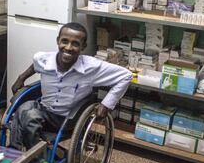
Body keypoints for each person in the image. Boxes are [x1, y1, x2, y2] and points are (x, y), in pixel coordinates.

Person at [9, 22, 132, 150]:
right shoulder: (43, 59)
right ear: (58, 41)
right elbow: (35, 65)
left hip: (69, 119)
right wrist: (21, 77)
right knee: (23, 107)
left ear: (83, 46)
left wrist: (106, 104)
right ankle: (17, 153)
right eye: (65, 41)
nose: (68, 47)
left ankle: (34, 158)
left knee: (27, 117)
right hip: (44, 112)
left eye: (75, 44)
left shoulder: (91, 67)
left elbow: (126, 75)